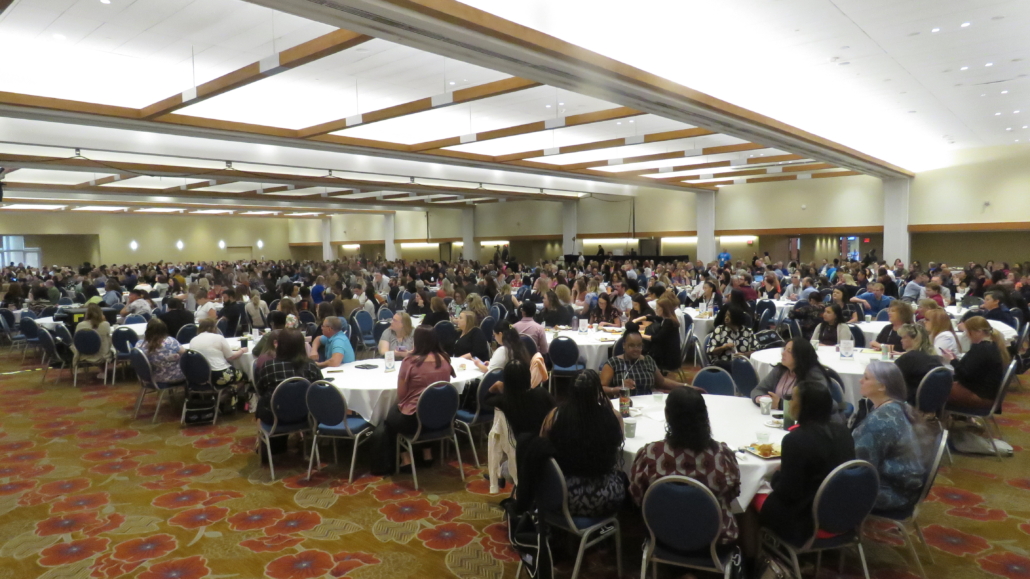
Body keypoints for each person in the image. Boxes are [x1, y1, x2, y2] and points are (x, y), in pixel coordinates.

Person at [629, 387, 741, 544]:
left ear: (668, 416)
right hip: (714, 540)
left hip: (662, 536)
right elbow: (733, 493)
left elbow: (637, 495)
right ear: (704, 416)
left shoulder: (651, 454)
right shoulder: (722, 456)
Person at [756, 381, 855, 545]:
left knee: (753, 492)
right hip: (844, 513)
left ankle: (757, 557)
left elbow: (788, 493)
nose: (790, 403)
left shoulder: (795, 440)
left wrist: (776, 476)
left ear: (804, 406)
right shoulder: (843, 431)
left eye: (793, 399)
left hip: (806, 520)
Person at [371, 326, 456, 474]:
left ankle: (406, 459)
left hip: (414, 420)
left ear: (416, 341)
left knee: (390, 417)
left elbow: (402, 395)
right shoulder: (445, 359)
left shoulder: (410, 362)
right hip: (442, 417)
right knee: (428, 408)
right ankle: (427, 454)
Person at [541, 370, 626, 517]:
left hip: (563, 494)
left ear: (571, 391)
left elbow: (542, 447)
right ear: (598, 392)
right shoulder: (612, 416)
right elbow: (617, 445)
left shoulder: (555, 415)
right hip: (606, 496)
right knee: (624, 477)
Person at [853, 362, 929, 511]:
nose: (860, 381)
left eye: (866, 378)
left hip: (892, 492)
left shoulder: (881, 420)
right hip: (904, 486)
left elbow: (860, 465)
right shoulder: (899, 407)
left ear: (882, 386)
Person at [254, 329, 322, 455]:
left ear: (279, 345)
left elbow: (260, 390)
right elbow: (319, 388)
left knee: (262, 401)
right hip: (305, 415)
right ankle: (302, 437)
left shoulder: (269, 366)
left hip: (274, 416)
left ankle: (261, 439)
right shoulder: (311, 365)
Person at [600, 324, 688, 396]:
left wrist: (685, 386)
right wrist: (617, 389)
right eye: (631, 345)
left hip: (647, 403)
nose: (636, 349)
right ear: (624, 345)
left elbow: (662, 382)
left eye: (639, 345)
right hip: (624, 404)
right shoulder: (613, 363)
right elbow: (601, 388)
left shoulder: (648, 360)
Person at [944, 316, 1010, 409]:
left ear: (978, 332)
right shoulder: (992, 345)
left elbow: (964, 375)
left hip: (981, 396)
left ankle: (932, 418)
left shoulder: (981, 349)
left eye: (968, 331)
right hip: (986, 393)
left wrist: (952, 360)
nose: (966, 335)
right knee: (944, 384)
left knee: (938, 386)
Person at [750, 338, 829, 410]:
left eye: (789, 351)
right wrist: (760, 398)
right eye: (784, 349)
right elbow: (758, 389)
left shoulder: (813, 376)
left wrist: (780, 404)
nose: (783, 353)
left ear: (800, 356)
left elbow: (814, 406)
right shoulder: (780, 370)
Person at [487, 358, 556, 438]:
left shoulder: (505, 401)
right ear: (528, 376)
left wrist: (494, 387)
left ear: (506, 380)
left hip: (520, 445)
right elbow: (556, 410)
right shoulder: (541, 393)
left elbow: (486, 400)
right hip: (544, 441)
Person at [188, 318, 248, 389]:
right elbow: (231, 357)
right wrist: (242, 350)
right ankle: (230, 394)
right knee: (244, 376)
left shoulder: (193, 340)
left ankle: (226, 393)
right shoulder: (218, 337)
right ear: (214, 328)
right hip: (219, 375)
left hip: (200, 376)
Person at [894, 324, 943, 404]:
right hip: (932, 401)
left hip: (912, 400)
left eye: (904, 337)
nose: (901, 340)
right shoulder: (934, 357)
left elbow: (891, 378)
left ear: (914, 339)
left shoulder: (909, 358)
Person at [706, 305, 759, 371]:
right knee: (719, 363)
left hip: (743, 363)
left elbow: (756, 351)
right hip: (723, 364)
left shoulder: (747, 332)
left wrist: (744, 354)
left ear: (736, 317)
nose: (726, 318)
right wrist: (723, 347)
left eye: (729, 316)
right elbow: (710, 351)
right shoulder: (719, 330)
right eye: (725, 316)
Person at [135, 318, 185, 385]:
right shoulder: (171, 341)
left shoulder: (139, 344)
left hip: (151, 378)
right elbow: (185, 354)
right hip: (175, 377)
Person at [72, 303, 114, 380]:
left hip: (83, 354)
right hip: (102, 355)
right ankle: (104, 371)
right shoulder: (105, 324)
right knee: (107, 344)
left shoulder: (80, 325)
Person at [640, 298, 681, 372]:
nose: (655, 310)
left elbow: (657, 339)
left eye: (657, 308)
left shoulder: (669, 322)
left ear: (663, 310)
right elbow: (654, 317)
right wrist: (640, 319)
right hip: (670, 355)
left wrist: (640, 335)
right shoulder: (667, 319)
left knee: (642, 354)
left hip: (668, 360)